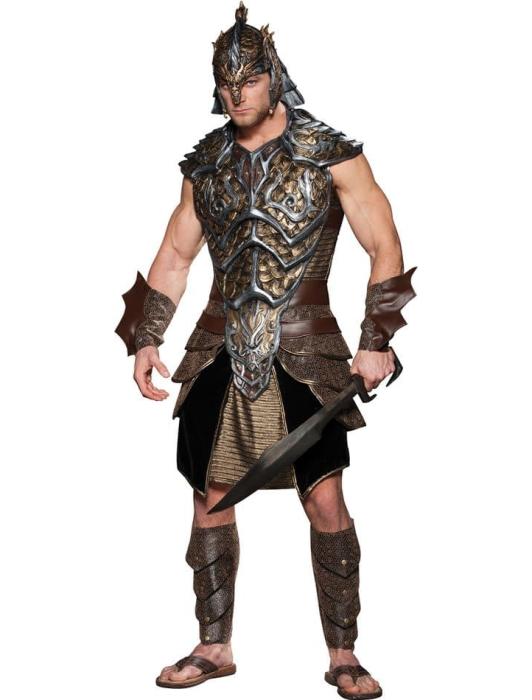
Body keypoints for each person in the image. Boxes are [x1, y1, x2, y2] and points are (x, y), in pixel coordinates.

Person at [115, 3, 416, 698]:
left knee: (326, 501)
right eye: (227, 83)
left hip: (307, 345)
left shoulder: (331, 153)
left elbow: (384, 244)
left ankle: (344, 654)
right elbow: (175, 254)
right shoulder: (206, 164)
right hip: (218, 345)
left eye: (248, 80)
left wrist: (376, 341)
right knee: (210, 497)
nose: (237, 94)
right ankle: (213, 647)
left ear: (273, 77)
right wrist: (147, 336)